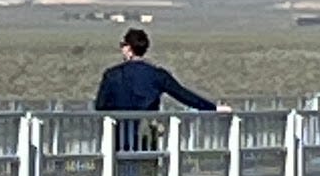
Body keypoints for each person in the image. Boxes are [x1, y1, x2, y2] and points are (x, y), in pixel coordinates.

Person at [95, 27, 224, 148]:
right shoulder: (157, 75)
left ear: (129, 48)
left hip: (118, 137)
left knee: (116, 169)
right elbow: (184, 95)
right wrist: (213, 108)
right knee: (147, 169)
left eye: (122, 45)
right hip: (145, 136)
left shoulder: (112, 75)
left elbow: (100, 106)